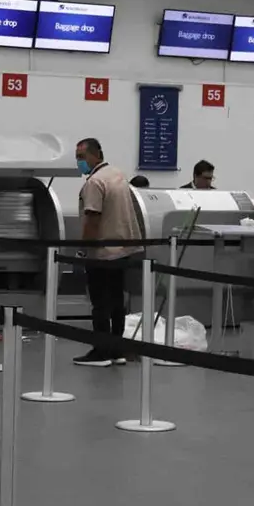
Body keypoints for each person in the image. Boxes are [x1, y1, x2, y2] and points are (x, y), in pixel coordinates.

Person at [73, 138, 142, 367]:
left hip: (102, 252)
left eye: (81, 157)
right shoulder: (117, 175)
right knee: (116, 301)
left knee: (100, 303)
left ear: (95, 155)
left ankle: (101, 352)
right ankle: (117, 349)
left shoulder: (95, 182)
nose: (79, 162)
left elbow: (92, 218)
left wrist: (83, 250)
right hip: (122, 250)